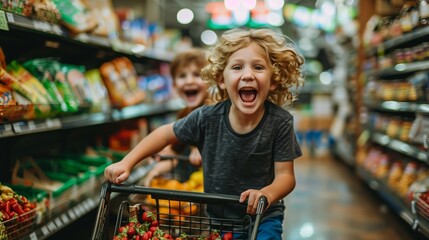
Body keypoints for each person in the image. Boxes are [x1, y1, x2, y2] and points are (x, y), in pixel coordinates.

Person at [104, 27, 304, 239]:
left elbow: (286, 176)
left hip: (264, 216)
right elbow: (164, 134)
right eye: (237, 67)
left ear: (273, 81)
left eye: (258, 67)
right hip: (221, 220)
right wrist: (127, 162)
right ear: (221, 80)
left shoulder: (280, 122)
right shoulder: (206, 118)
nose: (247, 75)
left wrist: (267, 194)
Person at [142, 48, 209, 186]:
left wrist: (201, 149)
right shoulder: (184, 114)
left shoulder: (213, 111)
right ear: (174, 85)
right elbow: (175, 151)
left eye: (197, 75)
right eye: (182, 76)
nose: (189, 81)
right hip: (195, 186)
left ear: (211, 81)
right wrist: (156, 170)